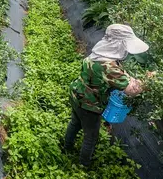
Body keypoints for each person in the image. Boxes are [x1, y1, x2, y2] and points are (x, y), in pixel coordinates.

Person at [64, 24, 150, 167]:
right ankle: (83, 165)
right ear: (118, 44)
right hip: (89, 104)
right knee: (91, 136)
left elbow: (120, 75)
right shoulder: (108, 66)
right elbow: (131, 90)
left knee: (75, 122)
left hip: (77, 94)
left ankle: (67, 147)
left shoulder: (100, 53)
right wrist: (147, 82)